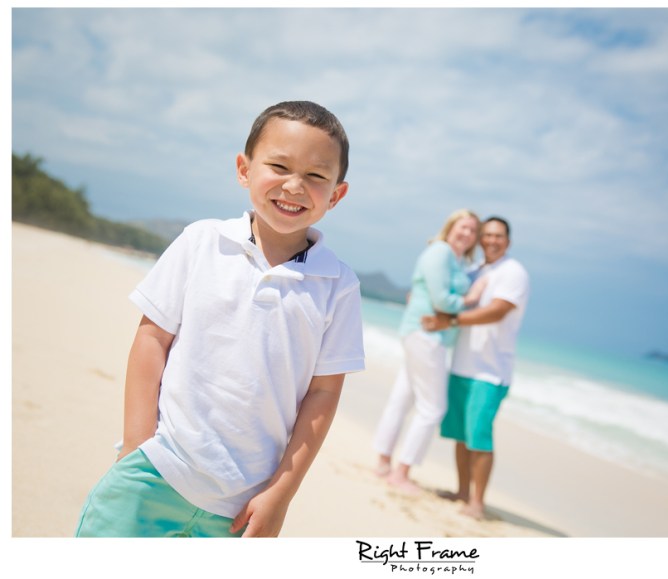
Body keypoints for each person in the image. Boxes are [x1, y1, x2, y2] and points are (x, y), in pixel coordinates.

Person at [75, 101, 365, 538]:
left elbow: (322, 395)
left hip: (242, 507)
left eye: (316, 176)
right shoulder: (202, 241)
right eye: (279, 165)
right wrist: (138, 446)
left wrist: (280, 495)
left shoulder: (337, 285)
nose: (294, 185)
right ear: (244, 170)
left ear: (336, 194)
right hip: (156, 470)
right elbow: (152, 341)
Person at [422, 216, 529, 520]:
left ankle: (477, 504)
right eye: (488, 235)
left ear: (507, 241)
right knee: (461, 434)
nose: (492, 240)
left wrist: (451, 321)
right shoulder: (476, 271)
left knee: (479, 435)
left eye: (499, 236)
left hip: (491, 371)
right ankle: (462, 492)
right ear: (481, 239)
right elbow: (452, 296)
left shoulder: (514, 272)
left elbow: (497, 311)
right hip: (462, 366)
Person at [372, 209, 483, 494]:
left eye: (473, 231)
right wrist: (471, 299)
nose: (467, 234)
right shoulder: (441, 252)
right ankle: (401, 473)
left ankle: (384, 462)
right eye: (463, 227)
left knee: (403, 397)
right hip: (426, 334)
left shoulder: (455, 260)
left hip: (425, 335)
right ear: (450, 227)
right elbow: (441, 300)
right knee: (433, 408)